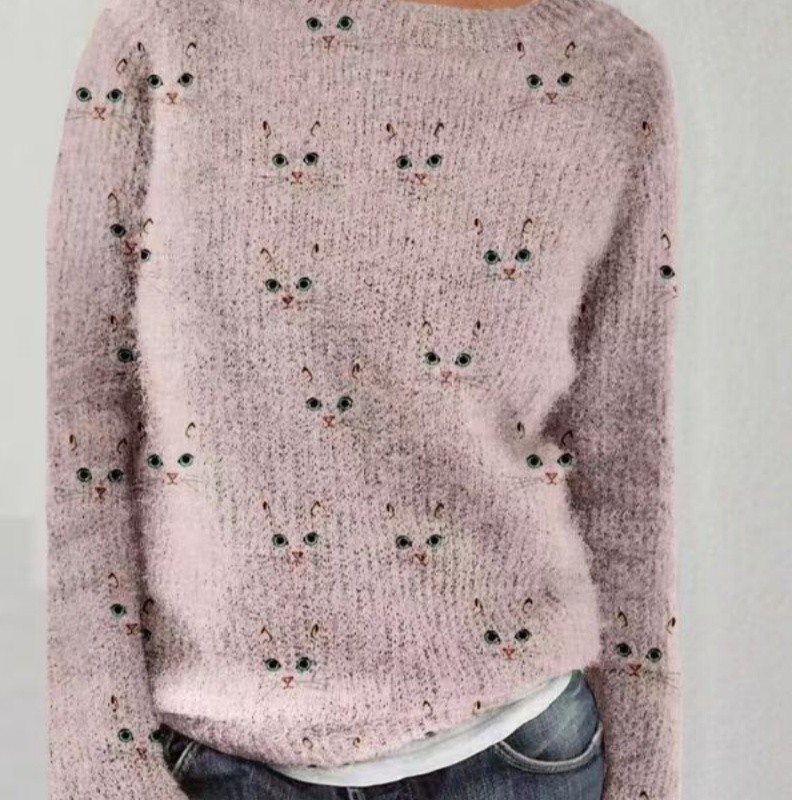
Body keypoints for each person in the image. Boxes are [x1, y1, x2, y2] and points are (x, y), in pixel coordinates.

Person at [45, 0, 681, 798]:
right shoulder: (168, 26)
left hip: (524, 754)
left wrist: (648, 773)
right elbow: (75, 406)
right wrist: (99, 760)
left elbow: (625, 450)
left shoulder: (609, 73)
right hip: (208, 763)